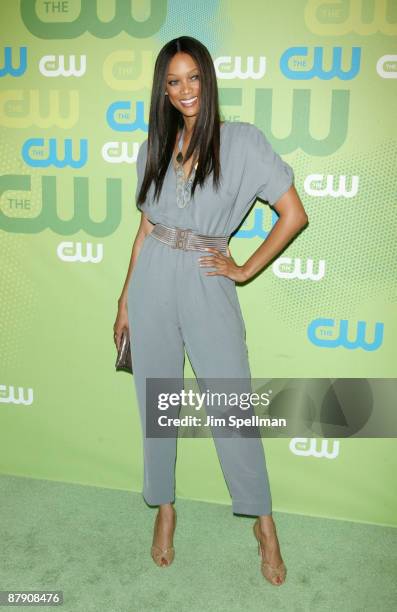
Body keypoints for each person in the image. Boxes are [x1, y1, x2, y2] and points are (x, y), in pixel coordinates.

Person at [113, 36, 308, 586]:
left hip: (206, 277)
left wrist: (243, 269)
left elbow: (293, 214)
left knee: (230, 407)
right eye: (173, 82)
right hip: (151, 281)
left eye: (193, 77)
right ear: (163, 89)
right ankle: (165, 508)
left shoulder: (242, 142)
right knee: (158, 405)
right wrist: (126, 299)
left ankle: (263, 523)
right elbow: (145, 227)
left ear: (208, 79)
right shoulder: (154, 146)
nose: (184, 91)